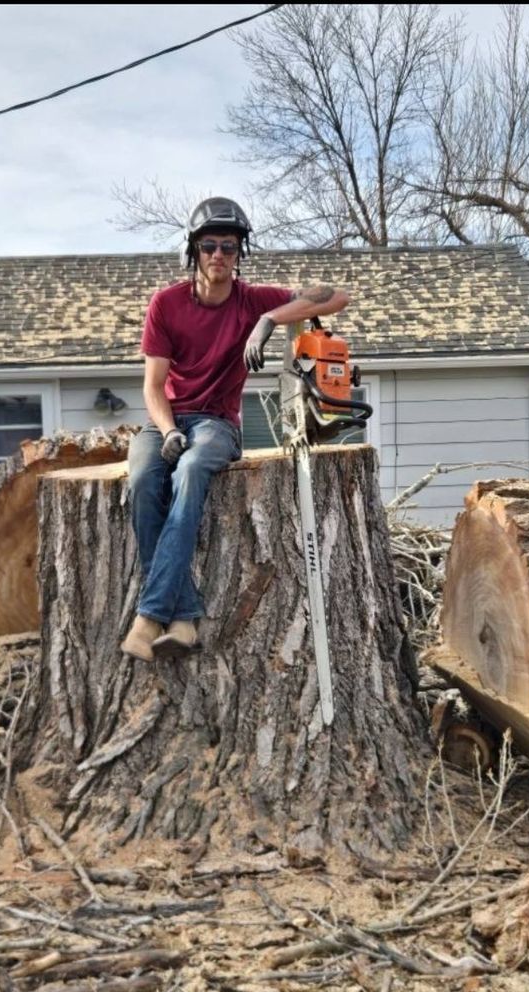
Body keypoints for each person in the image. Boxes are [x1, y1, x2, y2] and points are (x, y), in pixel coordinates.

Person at [120, 195, 349, 662]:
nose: (219, 255)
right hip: (166, 420)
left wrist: (268, 320)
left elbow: (337, 296)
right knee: (143, 479)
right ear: (193, 250)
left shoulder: (252, 300)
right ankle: (183, 620)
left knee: (189, 473)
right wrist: (168, 431)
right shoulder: (166, 304)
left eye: (228, 246)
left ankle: (148, 619)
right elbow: (153, 387)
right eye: (209, 246)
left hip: (217, 423)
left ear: (240, 251)